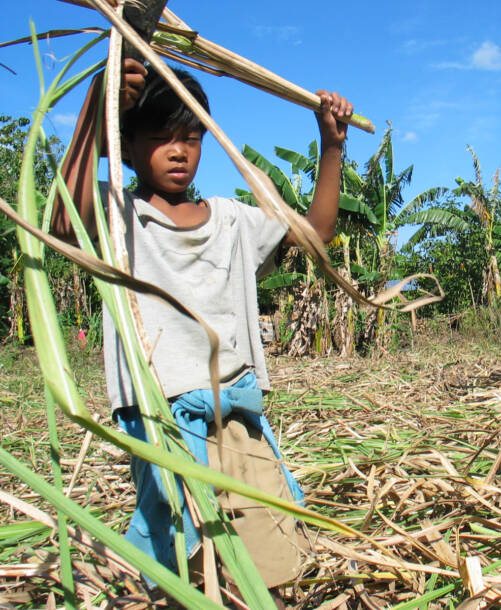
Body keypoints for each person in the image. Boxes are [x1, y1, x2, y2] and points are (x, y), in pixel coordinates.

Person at [51, 57, 353, 587]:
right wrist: (96, 111)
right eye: (160, 135)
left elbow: (315, 235)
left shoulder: (232, 220)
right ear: (128, 144)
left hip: (238, 420)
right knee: (189, 576)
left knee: (271, 565)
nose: (178, 150)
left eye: (191, 136)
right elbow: (60, 219)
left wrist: (332, 147)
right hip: (165, 427)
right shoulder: (118, 217)